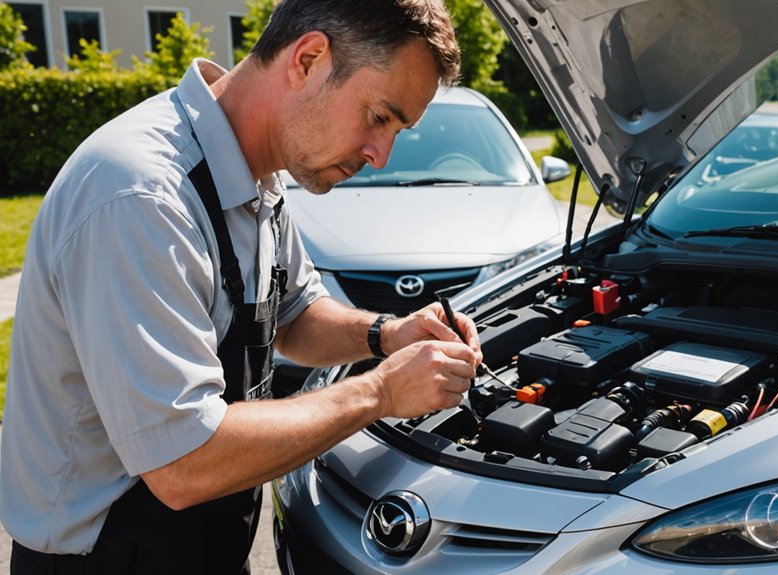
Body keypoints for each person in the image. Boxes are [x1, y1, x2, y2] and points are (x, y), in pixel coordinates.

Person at [0, 1, 476, 573]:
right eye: (379, 116)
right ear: (309, 58)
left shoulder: (257, 175)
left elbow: (295, 315)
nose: (380, 155)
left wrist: (386, 334)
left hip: (201, 544)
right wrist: (381, 392)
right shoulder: (141, 197)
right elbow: (184, 462)